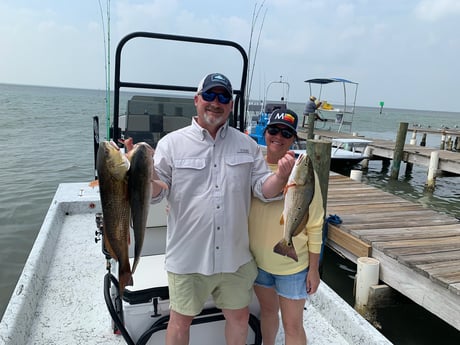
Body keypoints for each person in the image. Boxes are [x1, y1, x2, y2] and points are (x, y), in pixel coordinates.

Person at [150, 72, 296, 345]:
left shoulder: (248, 145)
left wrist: (281, 177)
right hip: (187, 258)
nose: (216, 102)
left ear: (230, 105)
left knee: (239, 318)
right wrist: (144, 174)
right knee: (179, 322)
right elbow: (155, 195)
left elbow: (263, 190)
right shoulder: (171, 144)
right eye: (210, 95)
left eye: (223, 97)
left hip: (235, 258)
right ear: (197, 100)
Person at [249, 108, 325, 345]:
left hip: (293, 266)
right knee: (268, 314)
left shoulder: (304, 174)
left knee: (293, 326)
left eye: (286, 133)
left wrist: (314, 269)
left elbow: (315, 224)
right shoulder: (253, 168)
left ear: (293, 139)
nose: (278, 136)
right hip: (258, 263)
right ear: (265, 132)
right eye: (273, 130)